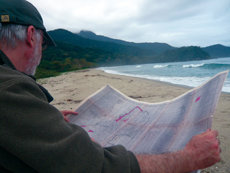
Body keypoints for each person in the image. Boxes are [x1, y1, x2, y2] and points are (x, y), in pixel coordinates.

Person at [0, 0, 221, 172]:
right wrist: (187, 158)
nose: (41, 52)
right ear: (31, 36)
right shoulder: (10, 88)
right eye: (43, 43)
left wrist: (43, 120)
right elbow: (96, 167)